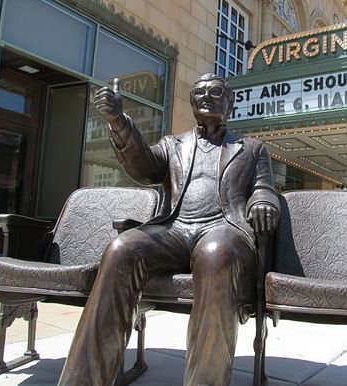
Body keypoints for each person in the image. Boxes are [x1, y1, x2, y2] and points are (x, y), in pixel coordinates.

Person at [58, 73, 281, 386]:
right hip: (174, 230)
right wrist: (119, 122)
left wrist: (264, 202)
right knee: (122, 248)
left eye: (215, 91)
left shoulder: (252, 149)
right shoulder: (173, 145)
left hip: (224, 230)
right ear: (191, 103)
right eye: (199, 93)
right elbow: (145, 168)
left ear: (229, 101)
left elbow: (265, 188)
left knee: (215, 253)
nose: (206, 97)